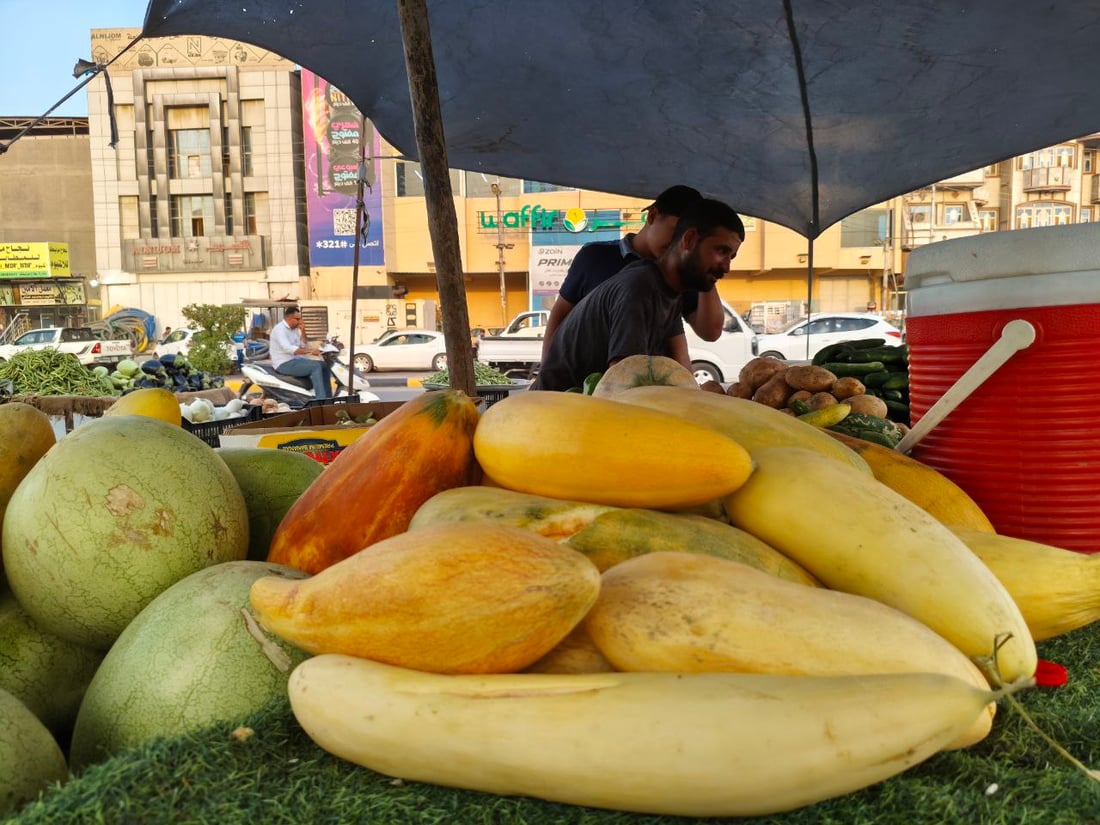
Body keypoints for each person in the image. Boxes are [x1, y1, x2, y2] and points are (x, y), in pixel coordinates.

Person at [532, 199, 744, 393]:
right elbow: (625, 390)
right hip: (553, 419)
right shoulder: (639, 289)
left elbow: (683, 367)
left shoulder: (667, 290)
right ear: (688, 239)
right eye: (721, 251)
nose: (726, 267)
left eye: (731, 257)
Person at [268, 306, 333, 398]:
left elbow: (303, 345)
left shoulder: (295, 330)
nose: (300, 321)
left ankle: (329, 397)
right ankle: (321, 399)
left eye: (300, 318)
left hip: (296, 360)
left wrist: (303, 331)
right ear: (288, 318)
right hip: (283, 363)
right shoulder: (279, 329)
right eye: (297, 319)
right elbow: (288, 348)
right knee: (316, 367)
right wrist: (311, 351)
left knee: (324, 365)